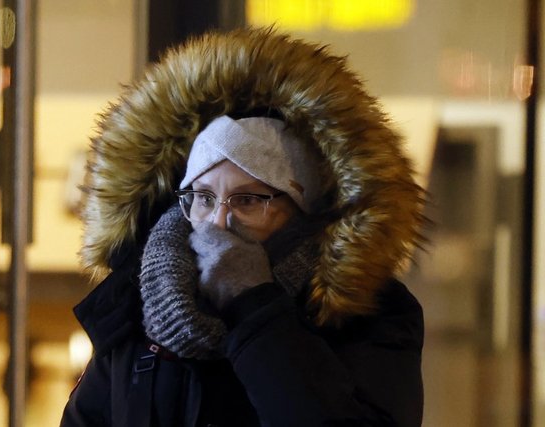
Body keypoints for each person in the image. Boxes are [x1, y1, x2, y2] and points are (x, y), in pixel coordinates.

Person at [61, 27, 426, 427]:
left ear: (300, 210)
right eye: (203, 198)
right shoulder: (138, 305)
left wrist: (255, 304)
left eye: (248, 200)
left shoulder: (366, 313)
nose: (219, 221)